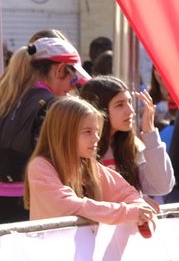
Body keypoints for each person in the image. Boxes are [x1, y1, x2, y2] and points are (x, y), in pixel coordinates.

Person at [0, 37, 89, 225]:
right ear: (60, 69)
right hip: (39, 206)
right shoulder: (56, 108)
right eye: (74, 78)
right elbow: (69, 169)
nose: (73, 86)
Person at [24, 97, 158, 231]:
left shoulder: (89, 166)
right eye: (88, 132)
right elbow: (67, 205)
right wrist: (128, 212)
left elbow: (126, 193)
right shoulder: (40, 166)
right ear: (64, 133)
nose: (96, 138)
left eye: (97, 131)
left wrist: (141, 213)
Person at [76, 76, 176, 200]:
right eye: (120, 105)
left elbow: (162, 186)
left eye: (129, 102)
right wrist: (133, 203)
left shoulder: (131, 145)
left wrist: (150, 133)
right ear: (99, 109)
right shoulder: (80, 147)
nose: (130, 111)